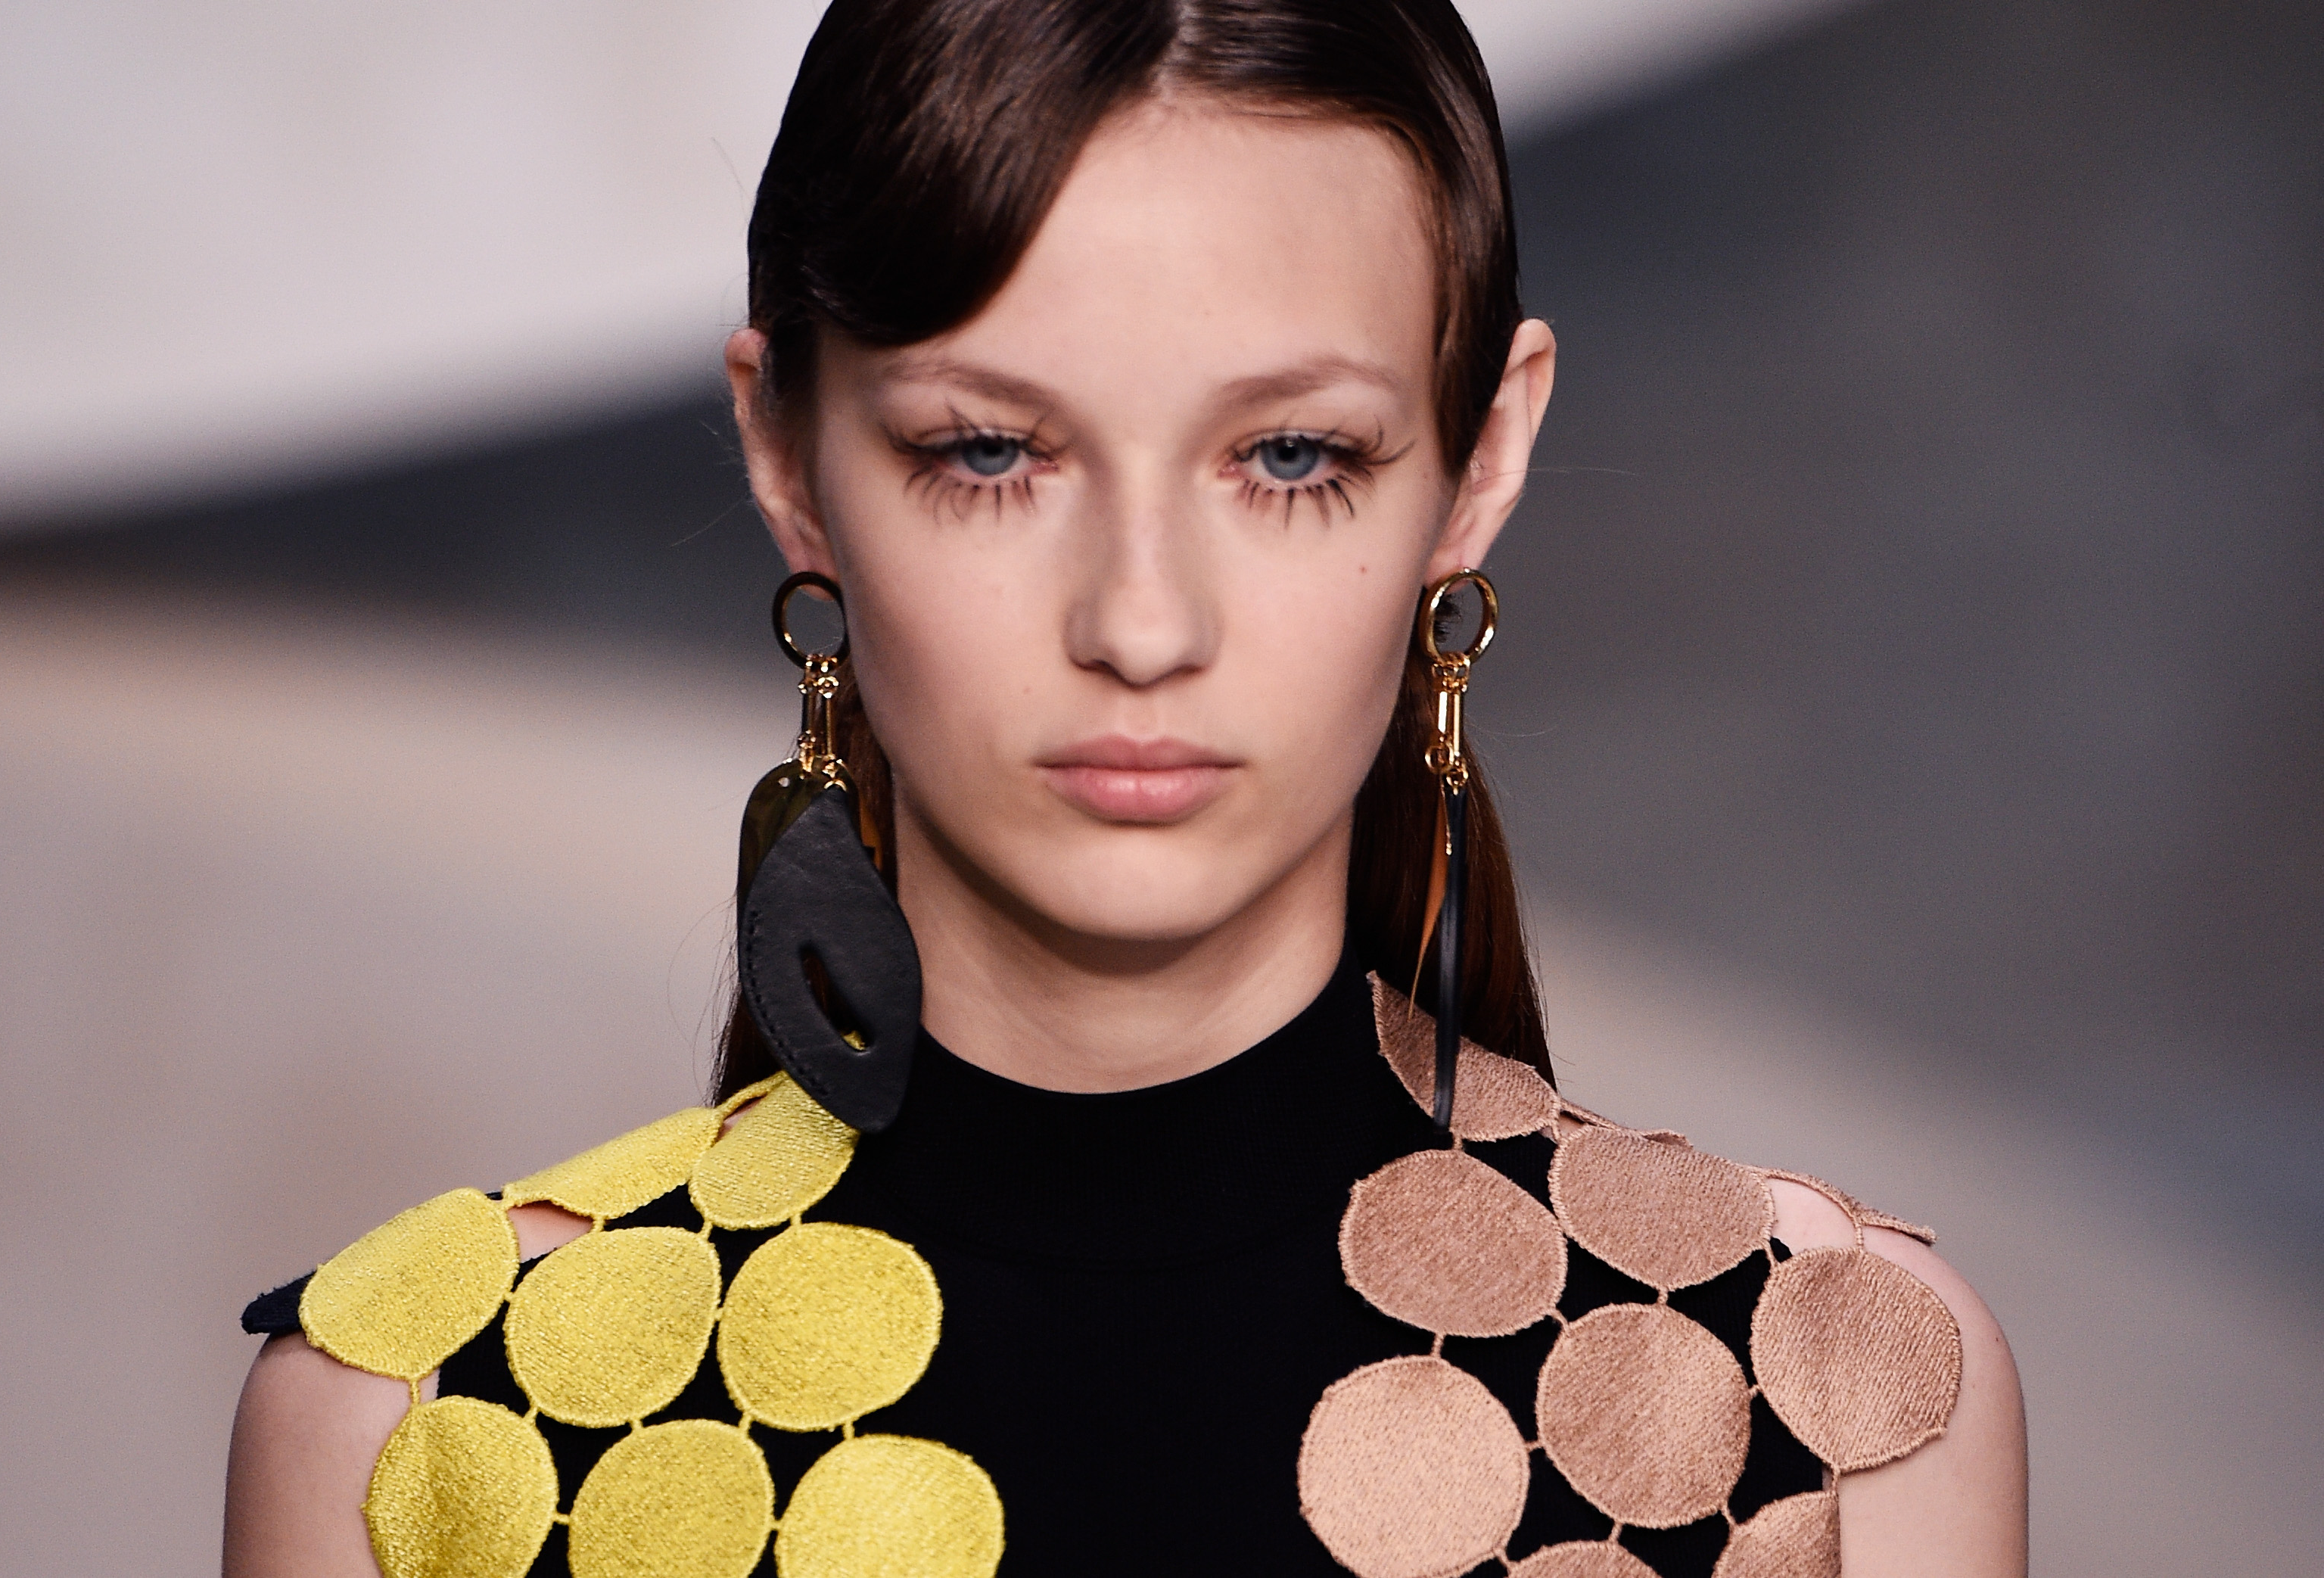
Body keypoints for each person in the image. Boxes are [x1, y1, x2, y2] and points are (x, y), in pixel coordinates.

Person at [222, 2, 2028, 1575]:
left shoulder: (1830, 1390)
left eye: (1292, 454)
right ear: (787, 455)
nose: (1141, 621)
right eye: (989, 450)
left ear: (1481, 461)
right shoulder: (425, 1416)